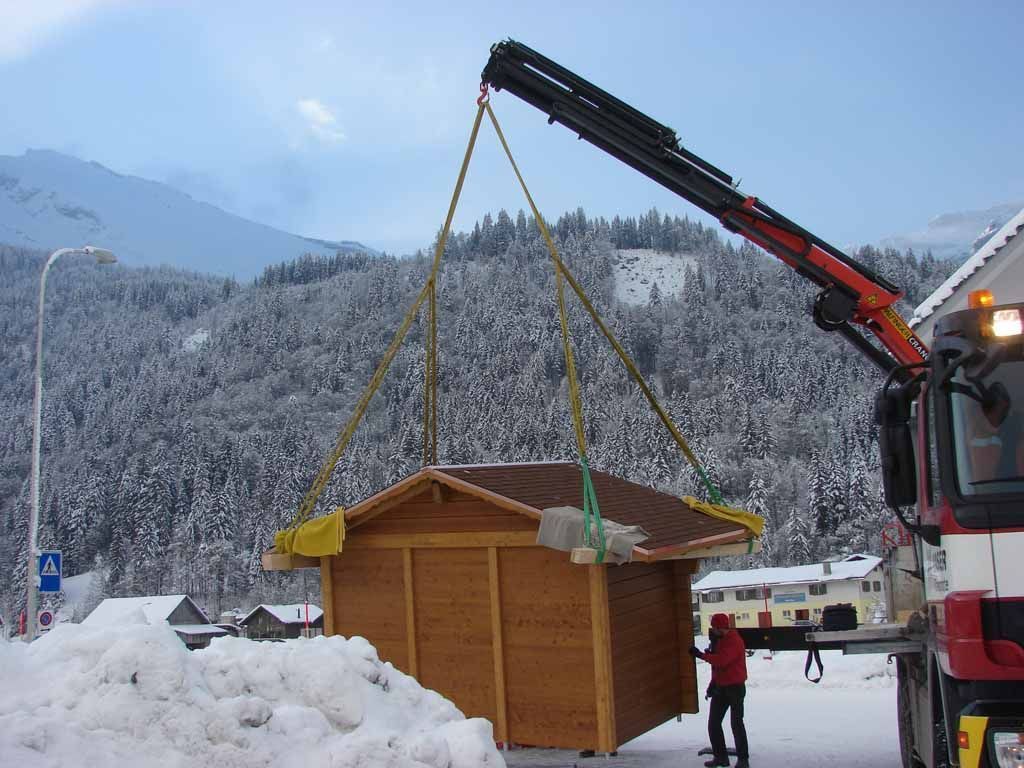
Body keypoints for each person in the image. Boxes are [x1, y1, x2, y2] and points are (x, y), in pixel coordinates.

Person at [690, 613, 749, 768]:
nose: (713, 631)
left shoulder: (734, 640)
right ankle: (721, 757)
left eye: (714, 627)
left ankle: (743, 760)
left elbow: (722, 661)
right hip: (721, 688)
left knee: (736, 724)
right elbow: (718, 667)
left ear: (720, 627)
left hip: (735, 688)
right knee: (714, 724)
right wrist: (712, 685)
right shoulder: (721, 640)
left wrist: (701, 655)